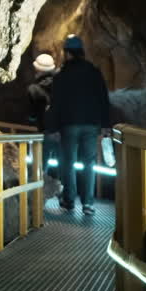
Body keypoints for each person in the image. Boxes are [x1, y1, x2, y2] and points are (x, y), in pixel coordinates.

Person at [48, 34, 110, 215]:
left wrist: (53, 128)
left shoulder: (62, 75)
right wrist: (105, 124)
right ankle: (88, 203)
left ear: (67, 53)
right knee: (89, 163)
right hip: (91, 124)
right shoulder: (94, 72)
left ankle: (69, 200)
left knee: (68, 162)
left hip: (69, 124)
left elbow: (56, 103)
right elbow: (103, 99)